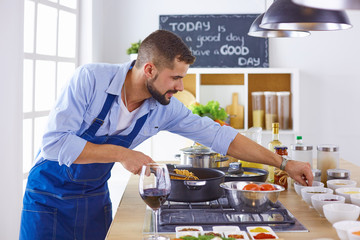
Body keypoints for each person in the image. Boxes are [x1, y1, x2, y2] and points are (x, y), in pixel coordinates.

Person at [20, 29, 313, 240]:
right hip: (48, 197)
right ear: (149, 69)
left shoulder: (164, 108)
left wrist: (285, 164)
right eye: (175, 77)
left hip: (94, 198)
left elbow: (223, 137)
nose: (181, 87)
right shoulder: (91, 80)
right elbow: (55, 143)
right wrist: (122, 153)